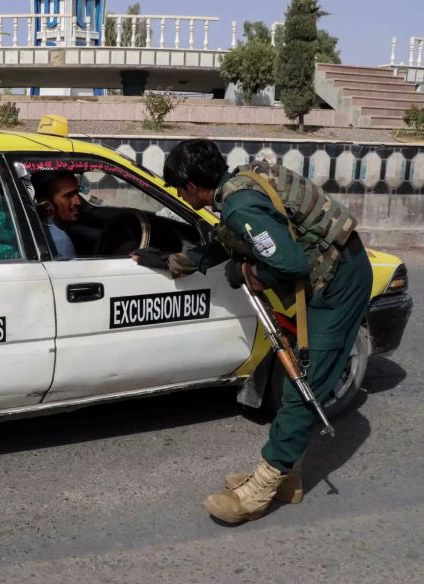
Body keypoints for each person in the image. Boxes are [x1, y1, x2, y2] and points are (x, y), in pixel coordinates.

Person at [134, 139, 372, 524]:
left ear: (194, 185)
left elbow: (289, 263)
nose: (178, 195)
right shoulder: (237, 188)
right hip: (331, 272)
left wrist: (247, 272)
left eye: (179, 188)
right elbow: (232, 241)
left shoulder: (241, 203)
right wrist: (174, 261)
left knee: (301, 383)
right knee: (298, 367)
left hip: (339, 283)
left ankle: (262, 486)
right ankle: (289, 477)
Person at [33, 171, 81, 259]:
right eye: (68, 196)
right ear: (47, 205)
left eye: (77, 193)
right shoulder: (60, 241)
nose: (78, 202)